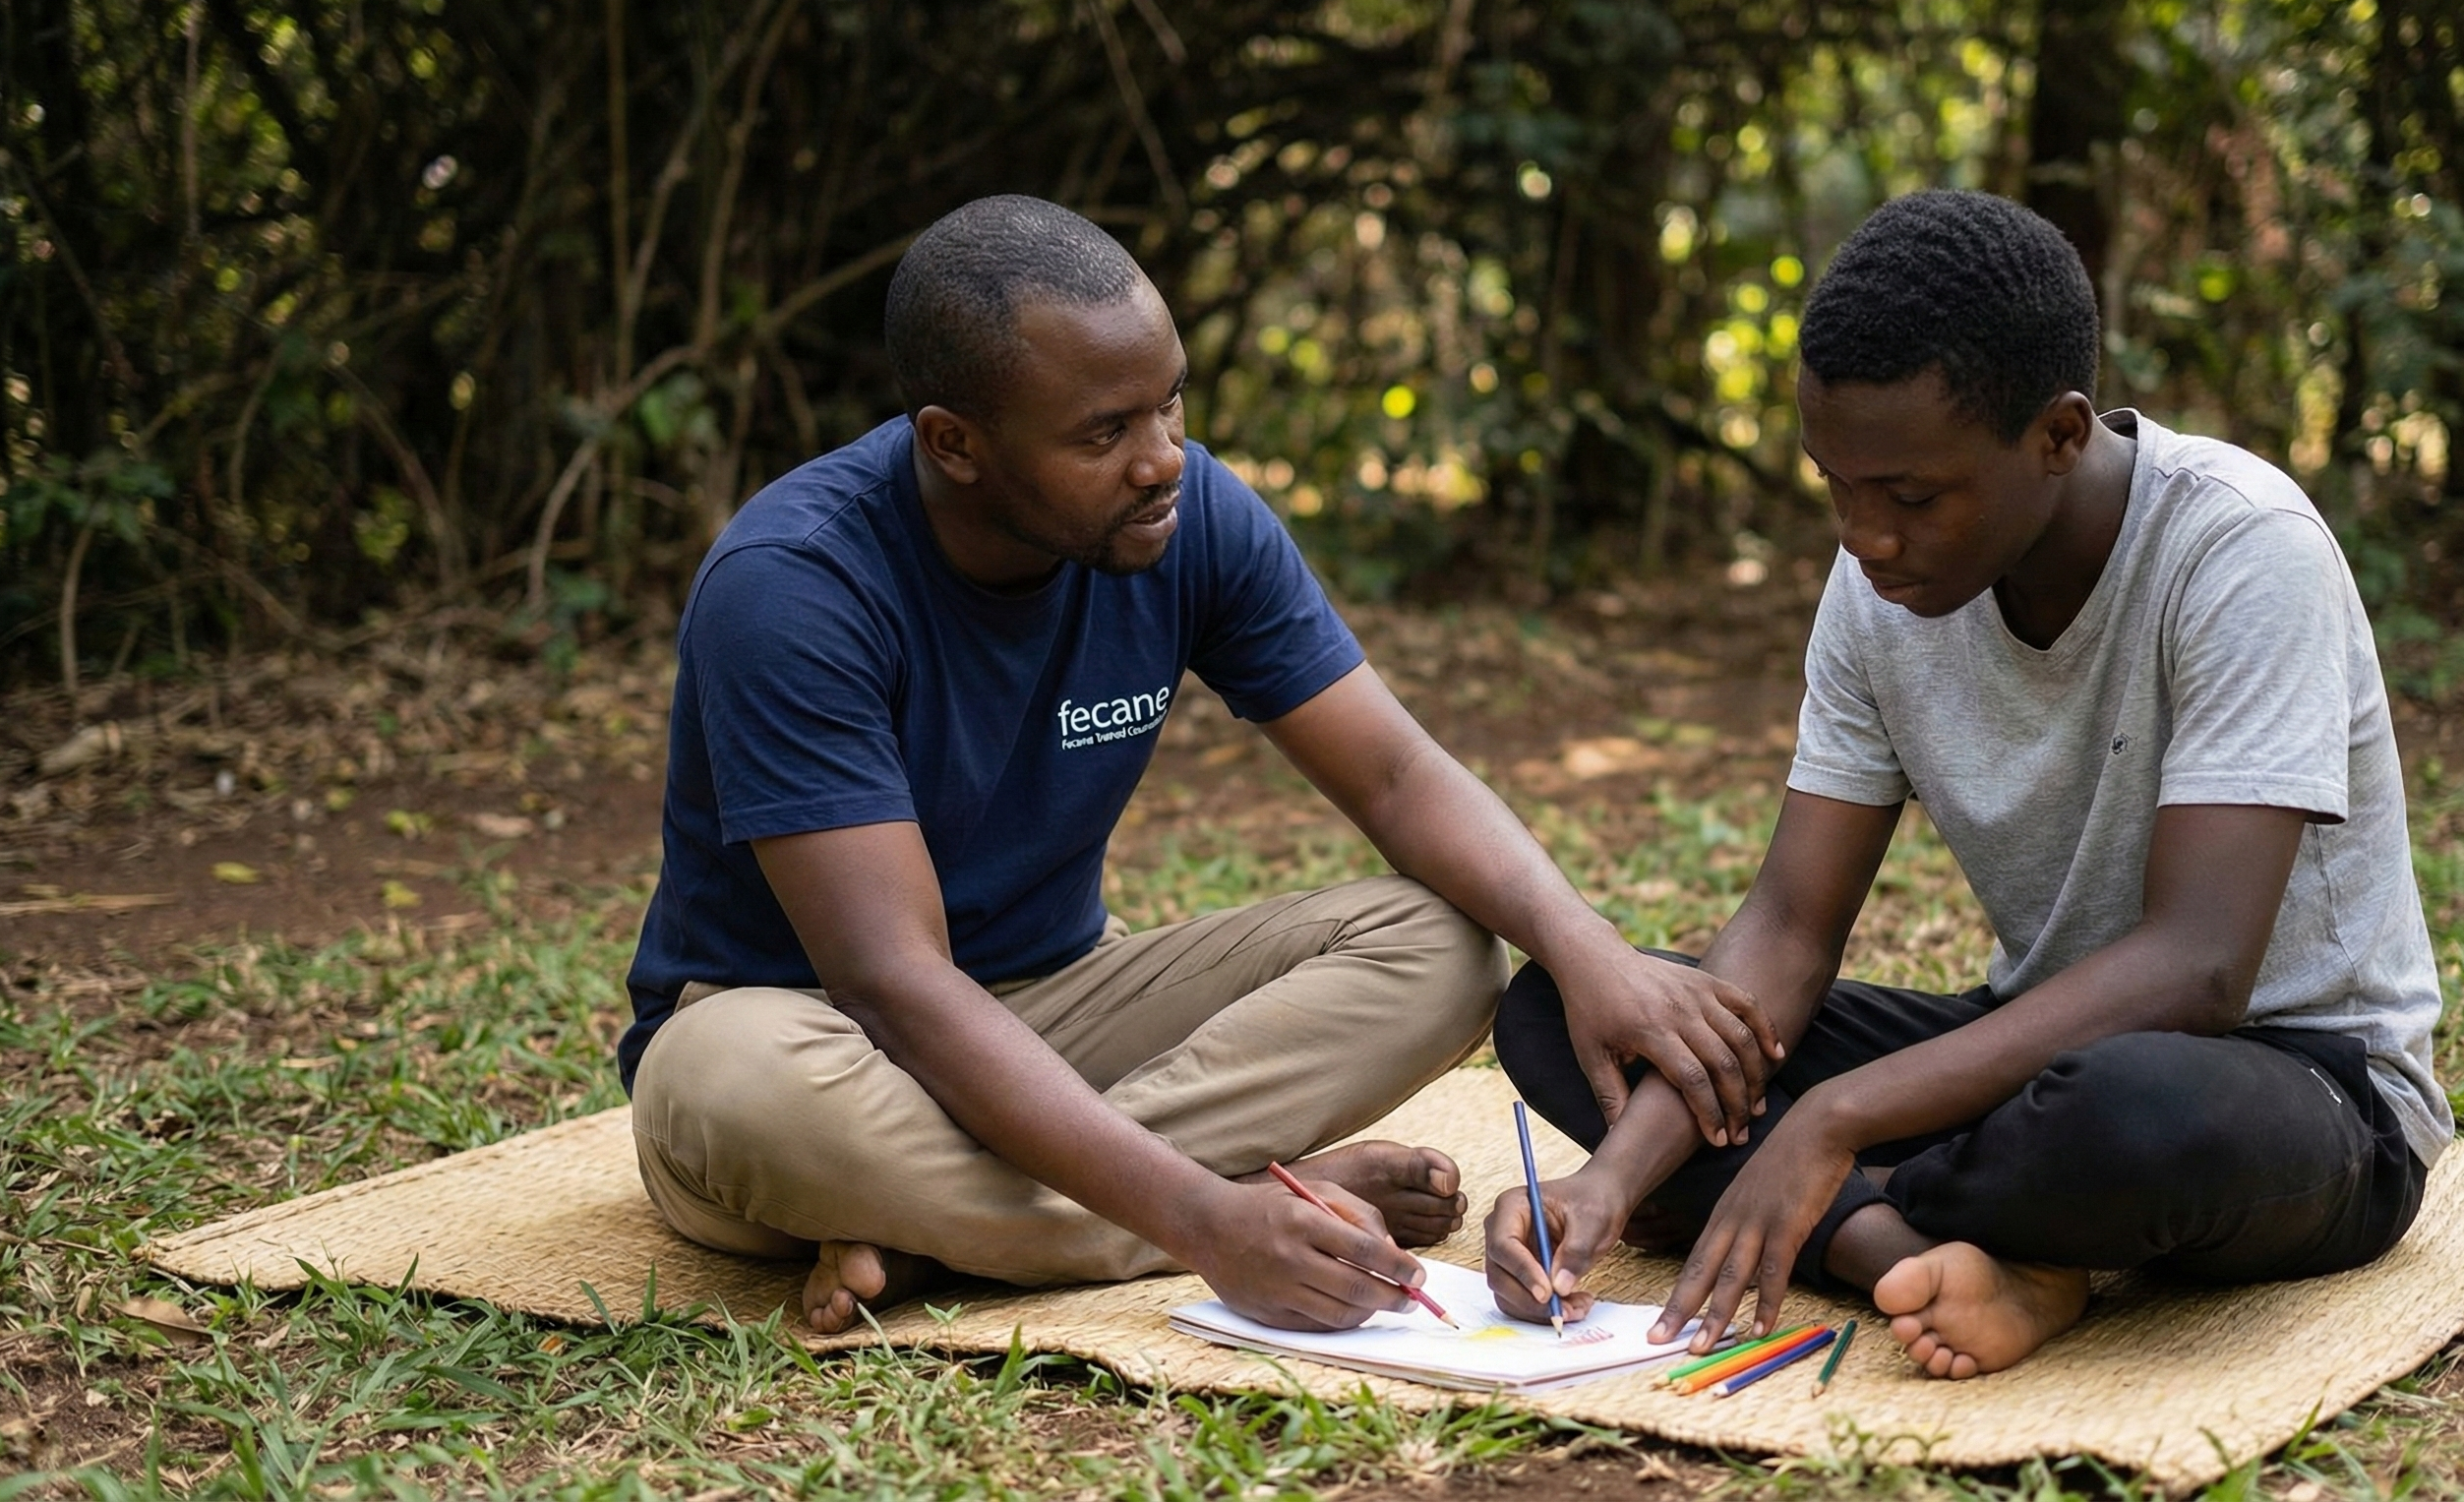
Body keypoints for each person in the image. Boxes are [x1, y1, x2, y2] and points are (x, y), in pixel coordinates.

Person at [622, 195, 1783, 1336]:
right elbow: (895, 983)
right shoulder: (793, 586)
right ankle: (1197, 1202)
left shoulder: (1190, 515)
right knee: (730, 1079)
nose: (1161, 459)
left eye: (1170, 403)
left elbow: (1393, 776)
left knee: (1441, 942)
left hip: (1055, 1005)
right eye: (1103, 432)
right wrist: (1202, 1221)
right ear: (953, 444)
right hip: (813, 1031)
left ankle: (949, 1241)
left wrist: (1587, 949)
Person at [1484, 189, 2450, 1379]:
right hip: (2034, 1055)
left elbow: (2199, 966)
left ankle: (1851, 1205)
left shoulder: (2242, 553)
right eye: (1835, 486)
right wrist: (1610, 1180)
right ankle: (1931, 1245)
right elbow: (1789, 930)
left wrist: (1837, 1121)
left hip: (2300, 1088)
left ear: (2057, 435)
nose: (1864, 536)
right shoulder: (1876, 590)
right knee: (1584, 1011)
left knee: (2130, 1115)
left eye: (1909, 496)